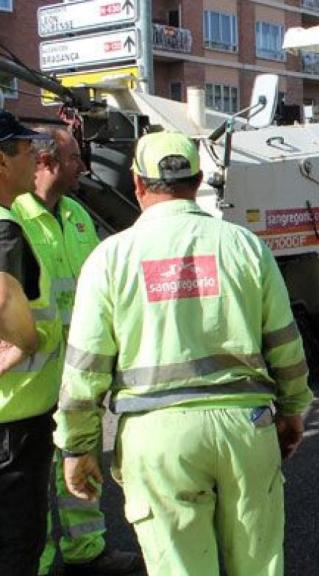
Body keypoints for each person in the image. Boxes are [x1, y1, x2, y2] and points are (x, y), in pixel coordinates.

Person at [54, 132, 313, 575]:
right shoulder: (247, 247)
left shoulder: (109, 258)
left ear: (136, 183)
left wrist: (77, 447)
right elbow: (286, 346)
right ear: (197, 182)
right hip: (246, 428)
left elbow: (85, 369)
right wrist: (292, 411)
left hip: (157, 437)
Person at [14, 127, 142, 575]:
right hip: (27, 381)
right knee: (30, 489)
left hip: (75, 375)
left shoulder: (77, 216)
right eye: (72, 159)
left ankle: (87, 551)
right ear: (46, 162)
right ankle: (43, 562)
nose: (81, 168)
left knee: (80, 460)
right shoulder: (14, 219)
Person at [0, 111, 64, 576]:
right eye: (25, 151)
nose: (34, 159)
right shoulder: (5, 228)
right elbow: (5, 297)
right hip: (15, 421)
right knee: (17, 546)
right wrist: (27, 340)